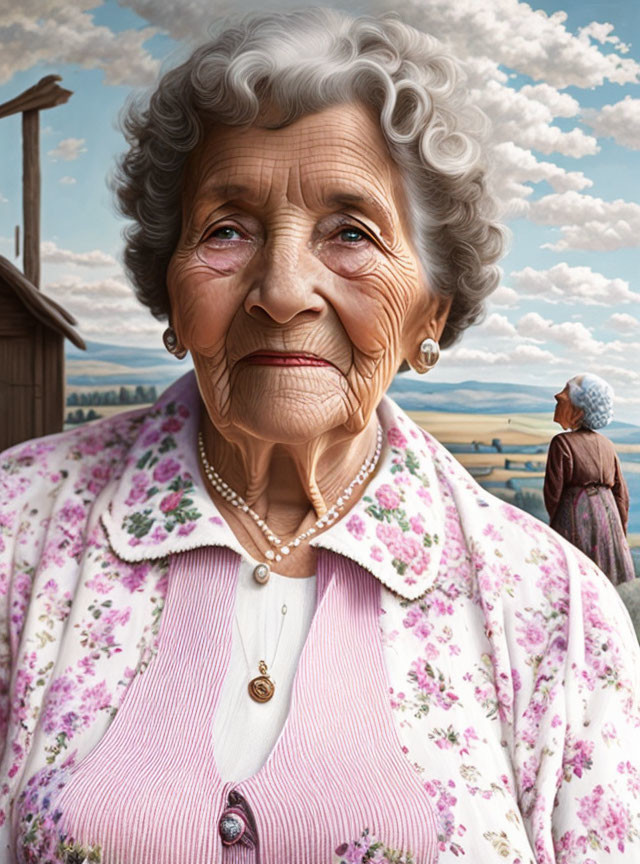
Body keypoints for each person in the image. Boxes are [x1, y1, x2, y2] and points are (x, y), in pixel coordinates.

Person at [1, 10, 639, 863]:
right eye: (227, 229)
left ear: (432, 312)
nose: (281, 288)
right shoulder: (14, 533)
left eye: (351, 232)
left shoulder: (554, 611)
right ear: (171, 287)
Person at [544, 373, 635, 585]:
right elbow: (621, 495)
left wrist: (556, 525)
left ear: (577, 409)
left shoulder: (562, 443)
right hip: (607, 515)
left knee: (576, 575)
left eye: (565, 394)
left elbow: (552, 495)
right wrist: (619, 531)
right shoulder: (607, 445)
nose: (558, 396)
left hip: (575, 516)